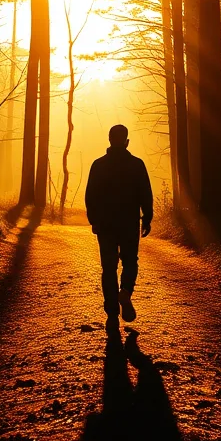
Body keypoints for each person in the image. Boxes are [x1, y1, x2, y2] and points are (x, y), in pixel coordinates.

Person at [85, 124, 154, 324]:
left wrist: (94, 220)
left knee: (108, 267)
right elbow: (145, 194)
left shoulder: (98, 165)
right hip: (129, 223)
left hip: (106, 224)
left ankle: (112, 310)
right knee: (130, 261)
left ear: (109, 140)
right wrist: (147, 218)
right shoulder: (137, 164)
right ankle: (125, 291)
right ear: (126, 142)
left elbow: (90, 196)